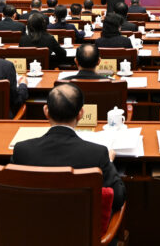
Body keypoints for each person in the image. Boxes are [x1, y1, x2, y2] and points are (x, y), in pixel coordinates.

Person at [13, 83, 126, 211]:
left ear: (46, 111)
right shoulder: (97, 154)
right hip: (81, 223)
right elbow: (118, 198)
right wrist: (109, 161)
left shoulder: (22, 151)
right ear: (81, 113)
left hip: (32, 221)